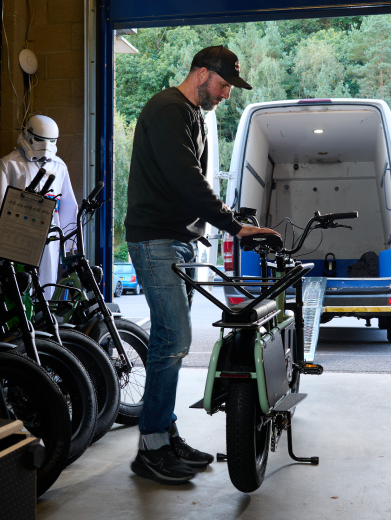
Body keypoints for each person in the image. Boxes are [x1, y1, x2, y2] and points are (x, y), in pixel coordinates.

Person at [125, 45, 279, 485]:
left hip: (179, 241)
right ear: (201, 74)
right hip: (156, 240)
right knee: (173, 338)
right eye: (224, 85)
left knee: (173, 341)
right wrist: (233, 226)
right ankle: (151, 447)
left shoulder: (192, 114)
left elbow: (191, 185)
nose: (227, 94)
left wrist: (224, 221)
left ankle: (165, 433)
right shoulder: (168, 110)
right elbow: (186, 180)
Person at [0, 115, 77, 298]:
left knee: (47, 283)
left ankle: (44, 313)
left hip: (50, 234)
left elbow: (68, 206)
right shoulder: (10, 163)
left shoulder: (59, 167)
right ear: (27, 135)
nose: (46, 146)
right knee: (20, 284)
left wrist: (70, 243)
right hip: (17, 232)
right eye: (40, 139)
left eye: (51, 141)